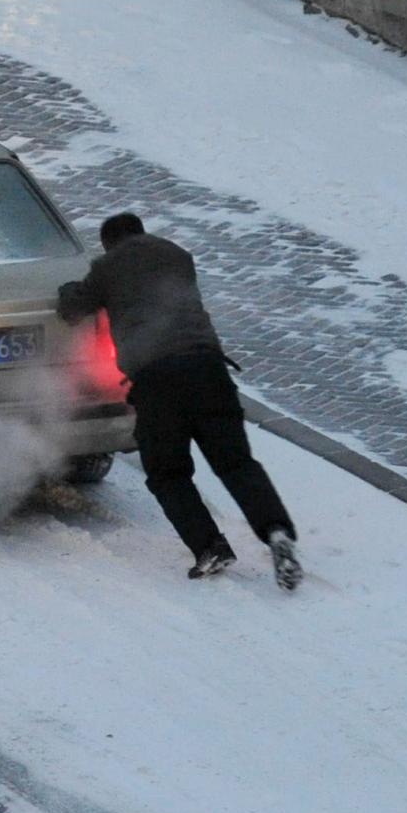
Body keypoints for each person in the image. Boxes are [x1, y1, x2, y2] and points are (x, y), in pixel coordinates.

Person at [57, 213, 303, 589]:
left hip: (158, 381)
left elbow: (76, 306)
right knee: (236, 463)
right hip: (209, 369)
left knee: (167, 473)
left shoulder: (108, 267)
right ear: (141, 232)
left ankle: (209, 547)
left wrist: (66, 292)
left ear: (109, 243)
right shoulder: (177, 256)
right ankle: (276, 533)